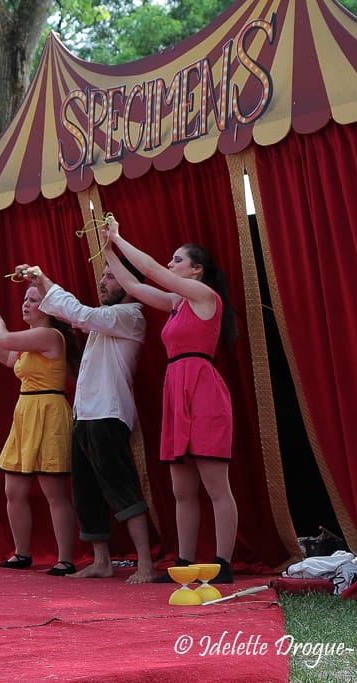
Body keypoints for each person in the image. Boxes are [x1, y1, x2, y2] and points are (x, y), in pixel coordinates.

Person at [102, 217, 238, 584]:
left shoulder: (205, 297)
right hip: (177, 390)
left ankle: (222, 564)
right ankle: (185, 563)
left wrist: (119, 236)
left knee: (215, 486)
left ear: (196, 271)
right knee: (182, 489)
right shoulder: (177, 302)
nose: (170, 264)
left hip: (203, 390)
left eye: (177, 260)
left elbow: (148, 269)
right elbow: (132, 283)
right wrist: (108, 249)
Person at [17, 260, 156, 583]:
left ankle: (146, 564)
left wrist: (43, 279)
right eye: (103, 275)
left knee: (121, 489)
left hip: (107, 414)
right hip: (86, 414)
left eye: (110, 276)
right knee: (86, 492)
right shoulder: (105, 319)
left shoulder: (129, 315)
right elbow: (78, 316)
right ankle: (101, 561)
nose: (103, 281)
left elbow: (80, 315)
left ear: (128, 282)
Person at [0, 285, 81, 577]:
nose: (25, 304)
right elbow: (8, 357)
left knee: (53, 491)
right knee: (14, 489)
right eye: (24, 299)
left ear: (47, 308)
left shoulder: (49, 335)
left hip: (47, 411)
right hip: (26, 413)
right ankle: (22, 553)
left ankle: (65, 558)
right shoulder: (27, 342)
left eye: (33, 300)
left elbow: (5, 339)